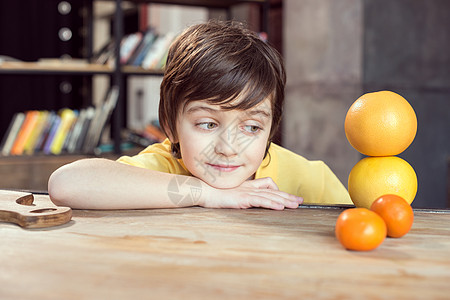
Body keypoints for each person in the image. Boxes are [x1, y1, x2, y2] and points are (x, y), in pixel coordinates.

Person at [48, 20, 352, 210]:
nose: (228, 147)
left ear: (271, 128)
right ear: (170, 126)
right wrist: (205, 193)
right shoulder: (164, 166)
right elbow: (67, 185)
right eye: (207, 124)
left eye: (252, 128)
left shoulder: (308, 177)